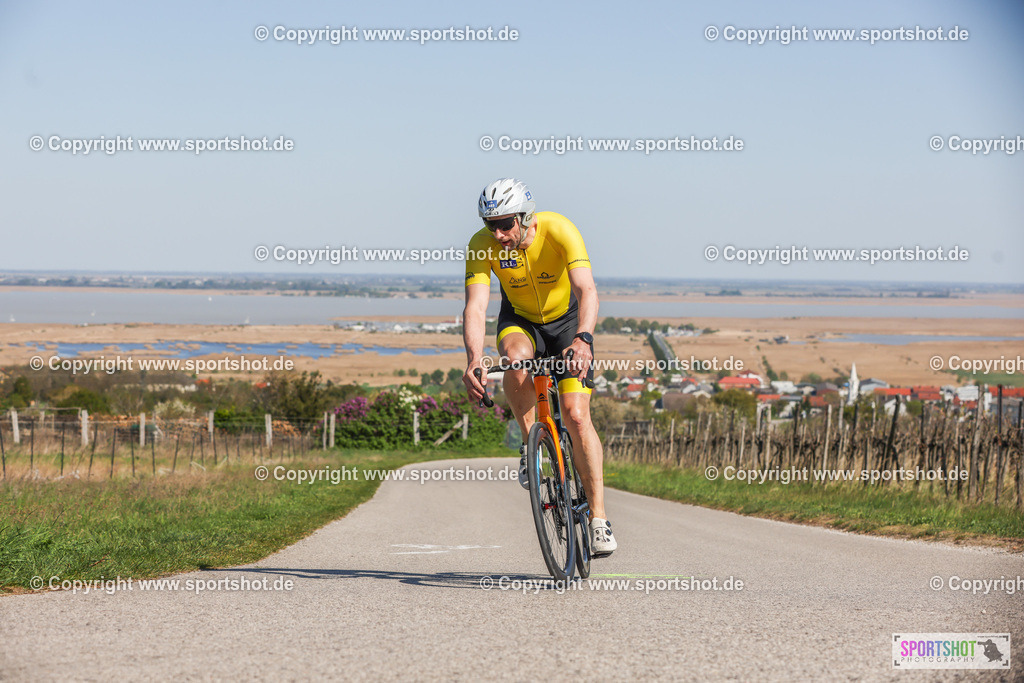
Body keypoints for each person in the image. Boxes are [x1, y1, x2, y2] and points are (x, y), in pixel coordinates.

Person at [462, 178, 616, 556]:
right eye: (490, 225)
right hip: (521, 322)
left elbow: (587, 290)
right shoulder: (481, 247)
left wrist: (584, 339)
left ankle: (598, 519)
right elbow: (476, 307)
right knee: (515, 361)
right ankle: (532, 445)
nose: (497, 234)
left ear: (526, 216)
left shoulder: (559, 230)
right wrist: (473, 359)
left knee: (577, 416)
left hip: (567, 324)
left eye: (505, 224)